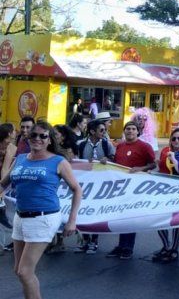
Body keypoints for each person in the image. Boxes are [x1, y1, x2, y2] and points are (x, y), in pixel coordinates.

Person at [0, 121, 82, 299]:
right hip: (20, 217)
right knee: (19, 270)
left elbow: (77, 189)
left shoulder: (58, 161)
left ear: (49, 140)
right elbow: (4, 184)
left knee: (24, 272)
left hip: (43, 219)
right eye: (33, 135)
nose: (37, 138)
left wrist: (72, 220)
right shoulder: (21, 159)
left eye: (43, 136)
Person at [107, 121, 156, 260]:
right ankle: (121, 245)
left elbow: (153, 164)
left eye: (133, 129)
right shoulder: (120, 146)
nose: (130, 131)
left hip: (136, 188)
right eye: (128, 129)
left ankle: (128, 247)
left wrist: (140, 169)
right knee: (121, 217)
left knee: (130, 217)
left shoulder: (145, 146)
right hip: (120, 187)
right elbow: (115, 164)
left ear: (137, 132)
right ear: (124, 131)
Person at [153, 128, 179, 263]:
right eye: (174, 138)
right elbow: (161, 169)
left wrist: (174, 159)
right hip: (164, 190)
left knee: (176, 222)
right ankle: (166, 246)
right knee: (158, 220)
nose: (176, 141)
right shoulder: (165, 151)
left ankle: (174, 250)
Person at [75, 120, 115, 254]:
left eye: (105, 130)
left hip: (101, 184)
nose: (104, 132)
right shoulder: (80, 145)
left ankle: (94, 240)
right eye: (101, 130)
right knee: (83, 210)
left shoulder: (106, 144)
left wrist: (107, 160)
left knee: (96, 211)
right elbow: (76, 161)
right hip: (85, 183)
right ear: (92, 131)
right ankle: (85, 239)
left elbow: (114, 159)